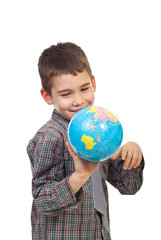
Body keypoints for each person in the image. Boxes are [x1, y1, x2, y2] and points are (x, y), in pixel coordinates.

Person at [27, 42, 144, 240]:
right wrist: (79, 176)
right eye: (66, 94)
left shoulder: (98, 130)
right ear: (47, 96)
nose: (79, 100)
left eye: (84, 88)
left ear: (94, 84)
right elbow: (43, 200)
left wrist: (132, 159)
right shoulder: (50, 137)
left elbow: (128, 187)